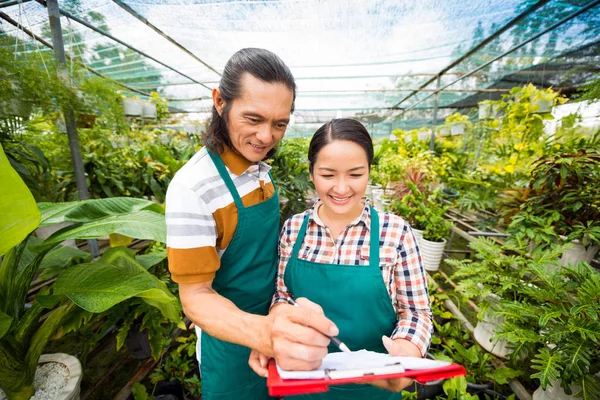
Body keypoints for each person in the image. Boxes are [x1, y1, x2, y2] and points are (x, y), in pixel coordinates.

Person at [165, 48, 338, 400]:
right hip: (233, 342)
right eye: (253, 119)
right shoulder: (194, 187)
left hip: (278, 321)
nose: (265, 137)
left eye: (279, 124)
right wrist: (263, 334)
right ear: (219, 102)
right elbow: (196, 298)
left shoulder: (259, 170)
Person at [251, 119, 433, 399]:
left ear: (369, 172)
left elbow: (416, 312)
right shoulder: (293, 229)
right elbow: (283, 294)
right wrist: (279, 322)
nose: (341, 188)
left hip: (376, 386)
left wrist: (406, 350)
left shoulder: (395, 233)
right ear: (311, 173)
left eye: (355, 174)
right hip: (304, 382)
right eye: (328, 175)